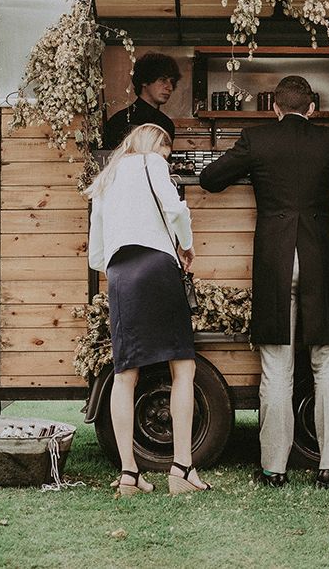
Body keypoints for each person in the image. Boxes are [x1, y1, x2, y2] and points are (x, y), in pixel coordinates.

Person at [199, 76, 329, 489]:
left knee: (276, 365)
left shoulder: (256, 140)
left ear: (274, 106)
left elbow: (211, 180)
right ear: (312, 108)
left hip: (274, 261)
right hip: (318, 259)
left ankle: (274, 468)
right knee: (327, 362)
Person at [86, 123, 210, 496]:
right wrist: (185, 246)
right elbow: (175, 209)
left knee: (125, 374)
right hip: (157, 267)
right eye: (167, 153)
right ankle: (181, 469)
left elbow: (96, 252)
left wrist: (120, 267)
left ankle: (129, 475)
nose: (166, 160)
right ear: (156, 146)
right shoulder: (151, 163)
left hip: (120, 274)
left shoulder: (107, 177)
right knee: (183, 368)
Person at [101, 53, 181, 150]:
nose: (170, 87)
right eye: (162, 80)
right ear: (144, 81)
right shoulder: (120, 121)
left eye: (172, 81)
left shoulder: (166, 124)